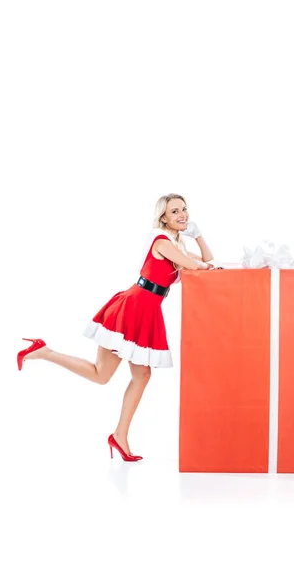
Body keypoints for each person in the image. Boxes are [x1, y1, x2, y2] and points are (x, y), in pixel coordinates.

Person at [16, 193, 215, 461]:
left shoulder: (175, 243)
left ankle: (119, 436)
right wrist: (196, 257)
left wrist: (198, 234)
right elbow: (196, 266)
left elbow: (208, 259)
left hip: (148, 311)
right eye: (175, 211)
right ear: (164, 218)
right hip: (132, 308)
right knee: (102, 375)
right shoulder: (161, 240)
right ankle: (44, 351)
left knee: (141, 376)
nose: (182, 215)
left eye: (184, 210)